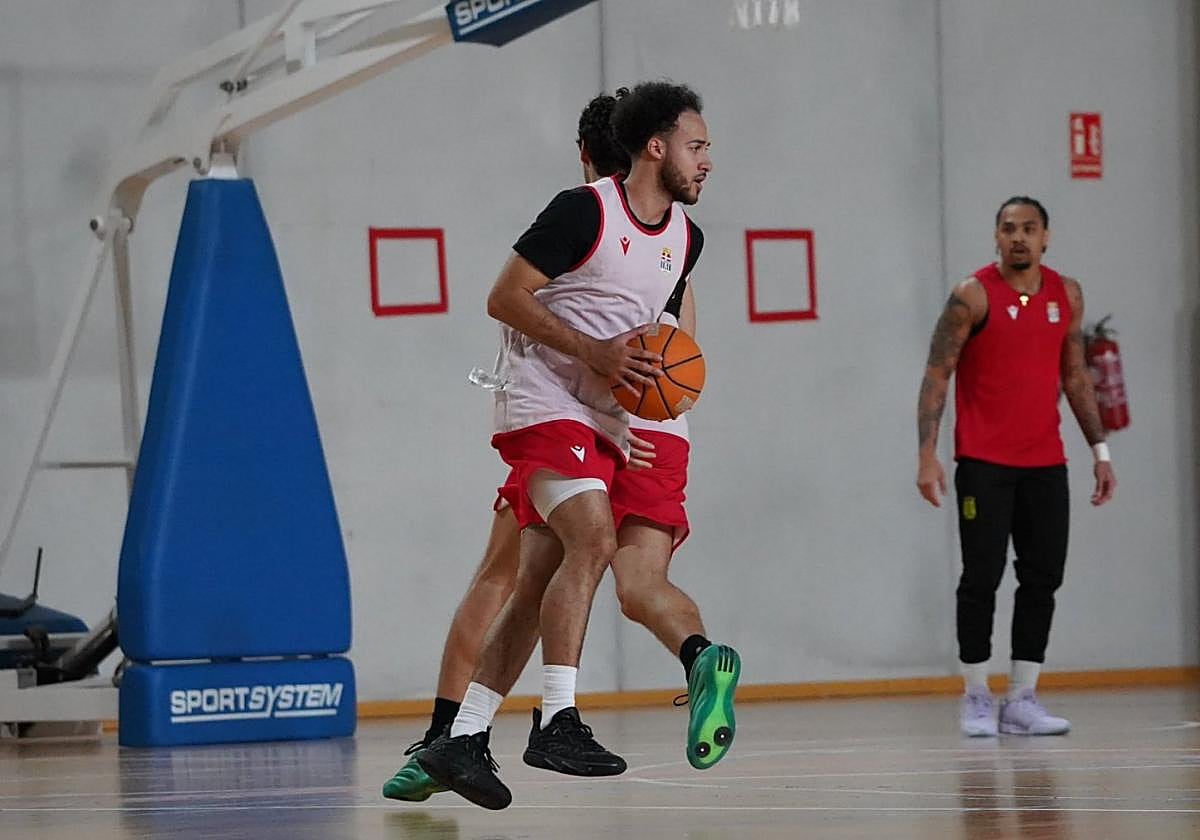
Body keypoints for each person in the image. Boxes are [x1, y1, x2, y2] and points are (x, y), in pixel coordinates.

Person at [382, 90, 740, 806]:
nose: (710, 159)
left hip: (607, 423)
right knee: (593, 539)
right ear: (657, 148)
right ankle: (556, 719)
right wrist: (595, 356)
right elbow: (503, 296)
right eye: (698, 146)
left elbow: (657, 348)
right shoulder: (581, 210)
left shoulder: (686, 238)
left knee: (537, 573)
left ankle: (464, 738)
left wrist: (646, 415)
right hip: (543, 401)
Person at [915, 196, 1117, 738]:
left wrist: (1100, 452)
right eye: (1009, 229)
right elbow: (937, 374)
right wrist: (927, 454)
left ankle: (1023, 697)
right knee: (981, 577)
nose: (1019, 238)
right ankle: (976, 696)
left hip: (1046, 463)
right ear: (997, 238)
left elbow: (1075, 376)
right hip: (983, 462)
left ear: (1046, 236)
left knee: (1042, 578)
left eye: (1029, 229)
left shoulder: (1065, 294)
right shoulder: (972, 296)